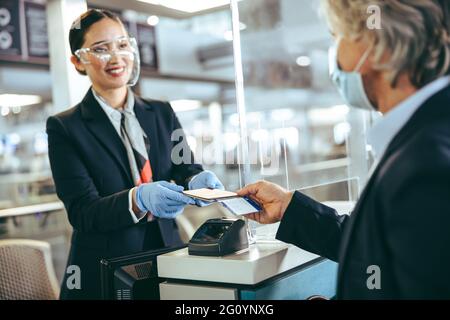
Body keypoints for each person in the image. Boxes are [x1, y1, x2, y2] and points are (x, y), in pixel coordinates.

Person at [238, 0, 450, 299]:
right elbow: (382, 250)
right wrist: (289, 206)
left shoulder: (427, 165)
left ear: (373, 44)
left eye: (337, 36)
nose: (335, 51)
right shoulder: (422, 137)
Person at [46, 9, 223, 300]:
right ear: (78, 61)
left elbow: (184, 166)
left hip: (168, 254)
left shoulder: (161, 112)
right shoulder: (65, 128)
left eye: (122, 44)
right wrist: (136, 199)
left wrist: (195, 180)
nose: (116, 57)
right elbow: (82, 212)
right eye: (101, 49)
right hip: (107, 268)